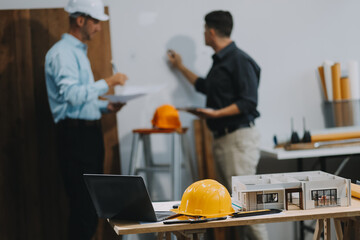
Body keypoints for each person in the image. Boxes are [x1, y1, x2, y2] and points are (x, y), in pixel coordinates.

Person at [167, 10, 267, 240]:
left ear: (211, 32)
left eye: (204, 30)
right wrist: (181, 67)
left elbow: (249, 102)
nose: (203, 34)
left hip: (238, 141)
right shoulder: (221, 61)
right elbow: (204, 87)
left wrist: (215, 113)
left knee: (248, 210)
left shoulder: (239, 60)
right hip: (224, 140)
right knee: (234, 209)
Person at [44, 0, 128, 239]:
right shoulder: (63, 53)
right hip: (76, 138)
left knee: (89, 208)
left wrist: (105, 107)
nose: (99, 28)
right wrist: (109, 82)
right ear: (80, 20)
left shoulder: (76, 52)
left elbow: (79, 98)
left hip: (86, 136)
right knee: (84, 209)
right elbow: (71, 96)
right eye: (96, 22)